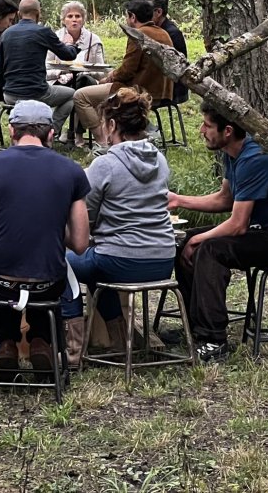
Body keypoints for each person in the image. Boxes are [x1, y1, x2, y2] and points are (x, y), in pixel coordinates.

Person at [168, 103, 268, 362]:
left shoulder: (254, 160)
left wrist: (201, 239)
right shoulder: (232, 153)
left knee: (210, 249)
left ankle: (214, 340)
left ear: (228, 131)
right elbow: (225, 199)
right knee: (185, 241)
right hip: (262, 230)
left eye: (207, 126)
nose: (201, 130)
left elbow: (237, 225)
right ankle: (195, 328)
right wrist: (179, 200)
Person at [0, 100, 90, 376]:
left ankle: (7, 342)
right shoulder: (72, 171)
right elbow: (81, 244)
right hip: (47, 282)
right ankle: (41, 341)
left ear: (11, 130)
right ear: (51, 133)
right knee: (48, 275)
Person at [62, 87, 177, 346]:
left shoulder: (105, 165)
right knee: (96, 270)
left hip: (120, 260)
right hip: (163, 259)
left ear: (112, 124)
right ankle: (121, 337)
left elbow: (84, 222)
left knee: (58, 262)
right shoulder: (160, 159)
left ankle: (72, 343)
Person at [71, 0, 172, 146]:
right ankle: (116, 135)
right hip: (161, 91)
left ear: (133, 17)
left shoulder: (137, 35)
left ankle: (103, 141)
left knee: (80, 96)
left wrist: (110, 77)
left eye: (127, 16)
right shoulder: (164, 33)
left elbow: (127, 71)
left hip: (136, 90)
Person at [0, 0, 79, 135]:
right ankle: (50, 131)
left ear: (19, 14)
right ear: (38, 14)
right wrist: (70, 43)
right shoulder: (43, 32)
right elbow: (68, 55)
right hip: (37, 92)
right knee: (74, 95)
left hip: (10, 94)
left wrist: (9, 86)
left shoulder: (6, 34)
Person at [45, 1, 107, 88]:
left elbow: (102, 74)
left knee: (84, 80)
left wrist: (84, 71)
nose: (74, 19)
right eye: (70, 16)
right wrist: (62, 72)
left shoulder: (94, 40)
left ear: (83, 20)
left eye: (78, 16)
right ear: (63, 20)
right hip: (60, 84)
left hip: (85, 84)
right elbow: (44, 71)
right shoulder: (54, 38)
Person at [147, 0, 189, 104]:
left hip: (174, 91)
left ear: (158, 12)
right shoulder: (159, 30)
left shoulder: (171, 33)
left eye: (147, 12)